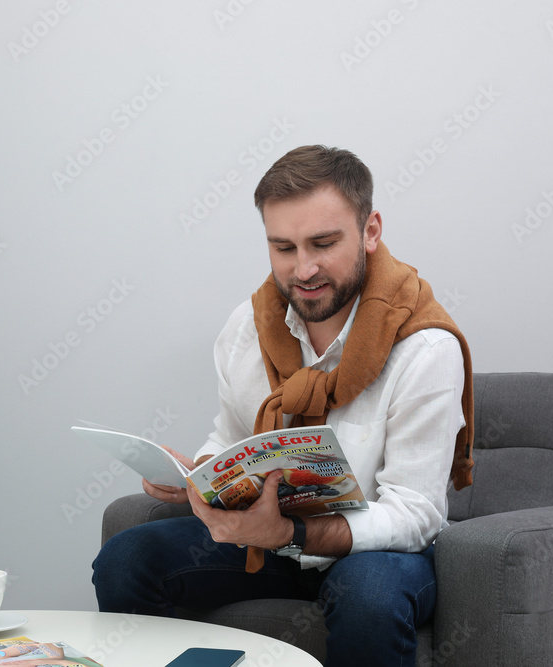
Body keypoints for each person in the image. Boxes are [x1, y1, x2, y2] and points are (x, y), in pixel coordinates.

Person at [91, 145, 474, 666]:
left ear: (370, 231)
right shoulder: (248, 329)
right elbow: (230, 439)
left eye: (323, 243)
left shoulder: (424, 349)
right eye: (283, 248)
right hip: (270, 542)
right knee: (126, 559)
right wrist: (196, 475)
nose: (304, 268)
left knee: (369, 597)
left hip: (378, 550)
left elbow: (414, 513)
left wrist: (291, 532)